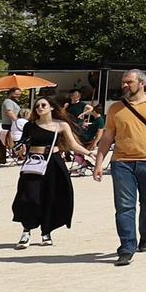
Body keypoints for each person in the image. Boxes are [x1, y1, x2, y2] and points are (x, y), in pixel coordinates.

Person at [91, 69, 146, 266]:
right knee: (124, 206)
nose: (125, 85)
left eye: (129, 82)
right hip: (122, 163)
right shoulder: (115, 108)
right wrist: (98, 163)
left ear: (142, 83)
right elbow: (108, 137)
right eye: (123, 82)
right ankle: (127, 248)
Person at [12, 94, 97, 248]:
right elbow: (23, 144)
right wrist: (20, 149)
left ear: (51, 107)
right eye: (37, 106)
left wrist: (89, 153)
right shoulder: (29, 126)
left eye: (43, 105)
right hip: (33, 163)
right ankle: (26, 230)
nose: (39, 108)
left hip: (53, 163)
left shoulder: (61, 125)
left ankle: (46, 232)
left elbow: (72, 144)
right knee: (28, 196)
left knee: (50, 196)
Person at [0, 92, 23, 165]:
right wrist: (18, 122)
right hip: (10, 124)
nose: (18, 95)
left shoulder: (11, 102)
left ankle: (17, 153)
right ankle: (19, 153)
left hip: (11, 124)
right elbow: (9, 112)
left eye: (19, 94)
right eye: (16, 94)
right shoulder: (8, 102)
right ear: (10, 93)